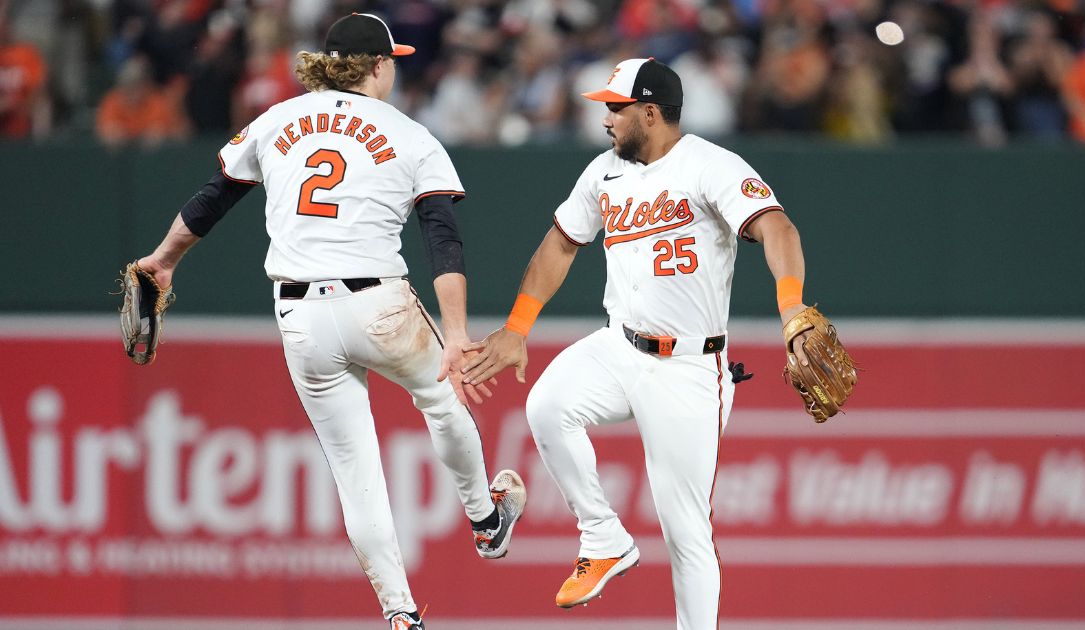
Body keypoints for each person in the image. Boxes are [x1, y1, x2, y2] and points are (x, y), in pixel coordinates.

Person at [132, 13, 525, 630]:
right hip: (379, 301)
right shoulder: (409, 132)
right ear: (374, 66)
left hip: (300, 317)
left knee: (353, 468)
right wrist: (454, 335)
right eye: (391, 60)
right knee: (442, 399)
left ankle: (398, 612)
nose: (394, 68)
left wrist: (163, 258)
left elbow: (213, 198)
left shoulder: (278, 118)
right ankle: (485, 519)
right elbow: (442, 238)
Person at [462, 57, 814, 630]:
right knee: (548, 406)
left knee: (685, 530)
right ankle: (603, 538)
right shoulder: (604, 171)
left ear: (650, 113)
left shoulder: (710, 166)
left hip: (689, 366)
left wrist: (792, 304)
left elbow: (778, 228)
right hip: (620, 344)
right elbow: (560, 244)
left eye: (616, 108)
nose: (605, 118)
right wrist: (518, 327)